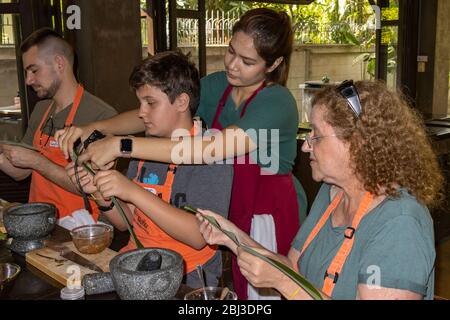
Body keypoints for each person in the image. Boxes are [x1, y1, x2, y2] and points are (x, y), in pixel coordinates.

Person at [56, 8, 308, 299]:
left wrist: (121, 145)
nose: (233, 65)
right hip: (229, 202)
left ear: (274, 63)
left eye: (247, 61)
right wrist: (93, 128)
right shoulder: (219, 85)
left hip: (266, 211)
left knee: (264, 293)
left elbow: (209, 149)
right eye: (230, 51)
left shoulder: (277, 103)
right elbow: (157, 109)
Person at [197, 80, 443, 300]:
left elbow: (288, 279)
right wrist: (233, 237)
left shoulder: (400, 224)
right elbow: (292, 267)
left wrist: (282, 281)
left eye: (316, 135)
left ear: (356, 144)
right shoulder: (332, 192)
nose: (306, 147)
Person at [66, 51, 233, 288]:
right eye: (140, 103)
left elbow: (198, 236)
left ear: (182, 102)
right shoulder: (145, 149)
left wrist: (131, 191)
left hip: (188, 278)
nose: (141, 112)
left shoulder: (213, 154)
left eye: (150, 103)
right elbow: (128, 222)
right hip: (139, 262)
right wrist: (103, 194)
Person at [0, 28, 117, 221]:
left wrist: (37, 160)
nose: (29, 80)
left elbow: (92, 187)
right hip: (39, 223)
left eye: (34, 70)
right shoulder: (41, 110)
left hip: (82, 232)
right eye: (27, 72)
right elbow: (22, 173)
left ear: (59, 63)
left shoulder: (102, 116)